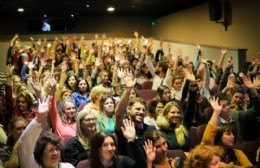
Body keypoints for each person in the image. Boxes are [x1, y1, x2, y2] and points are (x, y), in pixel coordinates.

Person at [18, 96, 74, 168]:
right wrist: (39, 118)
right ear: (41, 153)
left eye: (57, 149)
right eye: (51, 150)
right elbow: (24, 146)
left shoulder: (68, 167)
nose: (55, 153)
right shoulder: (32, 165)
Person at [201, 97, 253, 167]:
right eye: (228, 134)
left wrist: (226, 166)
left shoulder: (238, 153)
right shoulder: (210, 154)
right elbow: (206, 141)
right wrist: (216, 112)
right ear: (219, 137)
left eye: (233, 134)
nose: (233, 137)